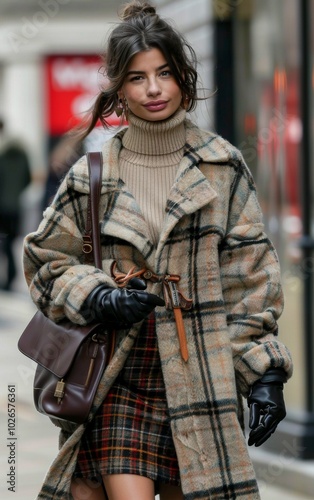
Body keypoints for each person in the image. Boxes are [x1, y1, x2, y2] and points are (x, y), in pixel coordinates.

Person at [23, 2, 293, 499]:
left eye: (164, 73)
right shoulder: (92, 174)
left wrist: (263, 371)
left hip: (200, 375)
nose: (152, 89)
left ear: (183, 78)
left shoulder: (222, 166)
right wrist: (99, 296)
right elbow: (46, 261)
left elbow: (250, 276)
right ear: (119, 90)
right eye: (137, 77)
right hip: (119, 371)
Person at [0, 119, 31, 291]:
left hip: (2, 208)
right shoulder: (22, 154)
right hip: (16, 207)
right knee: (10, 243)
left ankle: (7, 278)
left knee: (4, 244)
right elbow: (28, 178)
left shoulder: (2, 154)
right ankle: (10, 277)